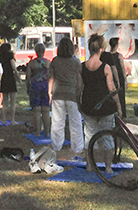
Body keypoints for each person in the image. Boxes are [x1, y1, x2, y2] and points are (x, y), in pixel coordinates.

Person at [80, 34, 118, 172]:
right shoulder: (105, 67)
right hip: (105, 106)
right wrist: (118, 106)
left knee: (89, 137)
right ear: (101, 49)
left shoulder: (82, 67)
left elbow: (79, 87)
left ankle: (90, 165)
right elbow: (112, 89)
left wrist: (79, 103)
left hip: (88, 105)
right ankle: (108, 167)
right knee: (107, 137)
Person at [48, 36, 83, 160]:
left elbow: (51, 78)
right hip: (72, 94)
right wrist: (79, 93)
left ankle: (56, 146)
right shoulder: (76, 62)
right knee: (75, 122)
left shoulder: (55, 61)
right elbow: (79, 80)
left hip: (58, 93)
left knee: (57, 122)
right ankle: (77, 148)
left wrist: (50, 93)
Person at [25, 43, 51, 136]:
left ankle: (37, 132)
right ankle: (47, 132)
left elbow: (28, 77)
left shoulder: (32, 63)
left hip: (35, 86)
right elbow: (51, 76)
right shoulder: (48, 62)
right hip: (45, 86)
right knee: (46, 110)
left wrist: (28, 87)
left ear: (35, 51)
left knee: (36, 110)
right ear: (44, 51)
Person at [107, 36, 128, 118]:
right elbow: (122, 68)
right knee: (121, 96)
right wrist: (125, 80)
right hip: (119, 77)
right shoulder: (118, 55)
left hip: (111, 77)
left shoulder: (107, 55)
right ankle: (122, 113)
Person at [0, 43, 17, 124]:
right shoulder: (10, 56)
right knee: (13, 101)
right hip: (11, 78)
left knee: (5, 101)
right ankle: (12, 120)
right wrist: (18, 76)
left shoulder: (0, 57)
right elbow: (13, 67)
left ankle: (3, 119)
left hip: (4, 78)